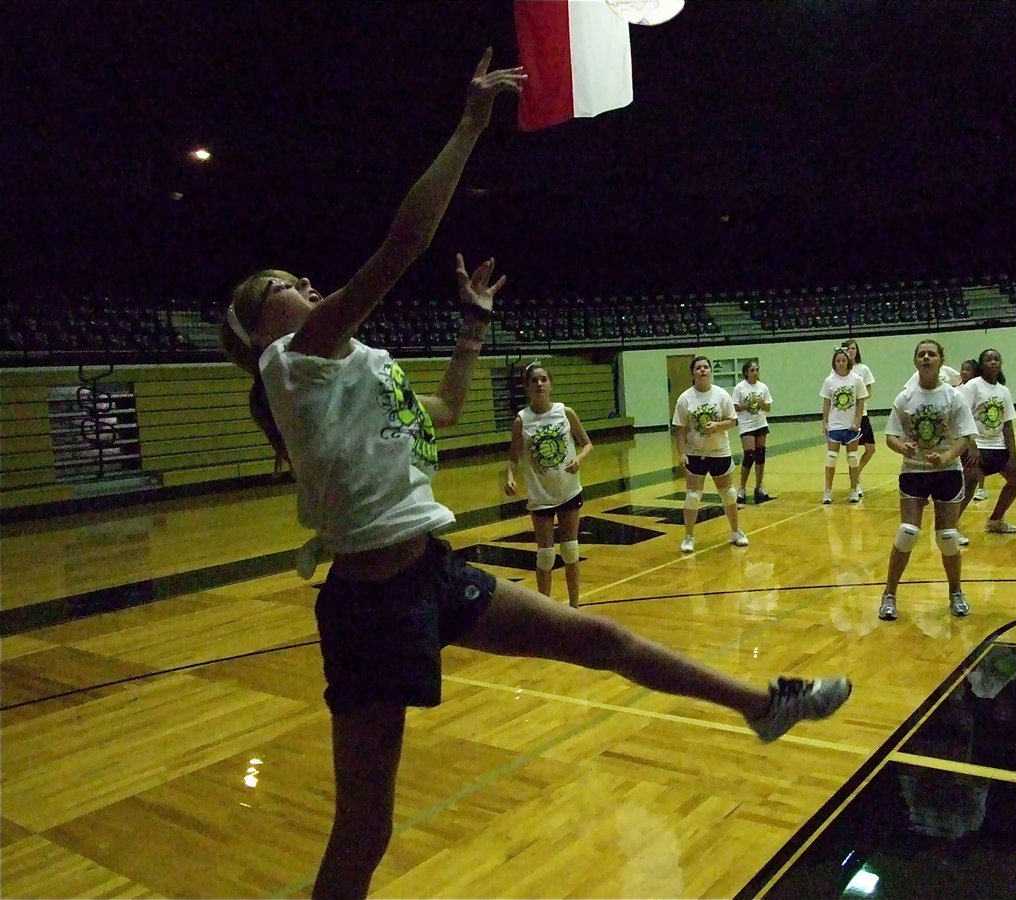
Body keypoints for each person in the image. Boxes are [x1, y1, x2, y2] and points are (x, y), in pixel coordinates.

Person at [218, 52, 851, 899]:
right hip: (372, 608)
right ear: (260, 332)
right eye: (280, 287)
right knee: (364, 828)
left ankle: (763, 707)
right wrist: (471, 125)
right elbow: (402, 246)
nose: (300, 282)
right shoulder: (291, 365)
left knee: (606, 641)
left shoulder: (347, 367)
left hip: (430, 574)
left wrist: (472, 329)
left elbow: (439, 412)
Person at [879, 339, 978, 621]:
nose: (926, 358)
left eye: (931, 354)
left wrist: (947, 456)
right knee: (907, 533)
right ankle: (889, 594)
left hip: (947, 472)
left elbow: (964, 437)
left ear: (940, 360)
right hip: (914, 471)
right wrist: (903, 448)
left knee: (948, 537)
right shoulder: (905, 398)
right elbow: (891, 437)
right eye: (921, 354)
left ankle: (956, 592)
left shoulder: (954, 397)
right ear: (915, 361)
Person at [504, 361, 593, 608]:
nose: (540, 384)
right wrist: (509, 477)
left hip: (567, 489)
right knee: (545, 555)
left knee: (571, 550)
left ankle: (574, 606)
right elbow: (513, 458)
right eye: (534, 380)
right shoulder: (522, 420)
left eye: (544, 379)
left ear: (551, 384)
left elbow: (587, 443)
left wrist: (579, 459)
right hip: (540, 494)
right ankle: (546, 610)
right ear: (527, 387)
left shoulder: (565, 412)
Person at [673, 355, 749, 551]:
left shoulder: (722, 395)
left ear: (710, 371)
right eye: (698, 368)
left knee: (728, 494)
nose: (703, 370)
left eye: (706, 367)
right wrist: (681, 453)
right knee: (693, 496)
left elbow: (732, 420)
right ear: (693, 373)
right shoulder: (684, 399)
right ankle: (688, 537)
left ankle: (736, 530)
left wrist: (717, 426)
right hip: (695, 452)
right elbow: (680, 429)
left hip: (719, 451)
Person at [958, 349, 1016, 540]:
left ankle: (995, 520)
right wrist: (971, 445)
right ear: (981, 364)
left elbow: (1008, 425)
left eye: (996, 359)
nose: (993, 362)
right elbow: (963, 416)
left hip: (998, 445)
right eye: (988, 359)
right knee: (970, 483)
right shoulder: (973, 386)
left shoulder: (1003, 391)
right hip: (977, 444)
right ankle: (951, 527)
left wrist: (1012, 455)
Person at [820, 347, 868, 504]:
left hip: (851, 426)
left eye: (843, 361)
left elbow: (861, 401)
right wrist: (825, 422)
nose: (840, 363)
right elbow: (826, 402)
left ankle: (854, 489)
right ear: (834, 363)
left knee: (853, 458)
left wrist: (857, 421)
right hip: (835, 425)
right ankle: (828, 491)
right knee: (831, 458)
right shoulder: (829, 381)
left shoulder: (856, 380)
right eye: (837, 361)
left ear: (848, 362)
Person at [732, 359, 773, 503]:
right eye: (752, 370)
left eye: (757, 370)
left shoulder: (763, 387)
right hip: (746, 425)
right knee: (749, 455)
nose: (755, 373)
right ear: (746, 373)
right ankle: (742, 487)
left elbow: (768, 408)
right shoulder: (740, 388)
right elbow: (735, 406)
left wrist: (762, 404)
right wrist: (746, 405)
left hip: (760, 423)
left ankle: (759, 486)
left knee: (760, 454)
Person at [840, 339, 877, 487]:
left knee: (870, 448)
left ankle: (857, 473)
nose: (851, 351)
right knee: (852, 451)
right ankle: (854, 484)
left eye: (853, 348)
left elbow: (868, 391)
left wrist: (858, 399)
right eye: (848, 348)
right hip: (846, 416)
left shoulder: (863, 369)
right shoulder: (840, 371)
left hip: (862, 413)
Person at [958, 359, 987, 502]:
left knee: (976, 466)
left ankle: (981, 488)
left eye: (967, 370)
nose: (963, 372)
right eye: (962, 369)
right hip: (959, 436)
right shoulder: (957, 390)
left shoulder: (977, 389)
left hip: (975, 435)